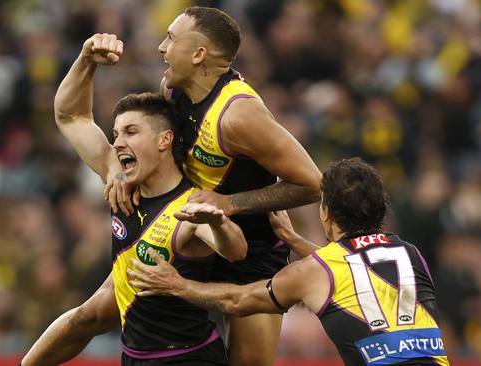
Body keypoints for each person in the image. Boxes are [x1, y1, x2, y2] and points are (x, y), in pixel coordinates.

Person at [89, 6, 323, 365]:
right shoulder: (171, 90)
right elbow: (149, 142)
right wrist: (124, 174)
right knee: (92, 315)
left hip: (252, 255)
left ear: (199, 54)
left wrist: (231, 204)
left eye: (171, 38)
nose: (161, 48)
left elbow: (312, 185)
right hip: (187, 239)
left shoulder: (239, 115)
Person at [21, 34, 248, 366]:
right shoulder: (121, 182)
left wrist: (218, 220)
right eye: (115, 135)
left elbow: (235, 249)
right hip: (134, 356)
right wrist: (86, 58)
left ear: (164, 140)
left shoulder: (188, 207)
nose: (118, 143)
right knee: (87, 316)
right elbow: (71, 117)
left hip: (188, 359)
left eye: (130, 132)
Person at [128, 158, 450, 366]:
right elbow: (353, 271)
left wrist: (177, 284)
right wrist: (294, 239)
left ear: (325, 213)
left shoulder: (312, 272)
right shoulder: (411, 253)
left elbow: (238, 300)